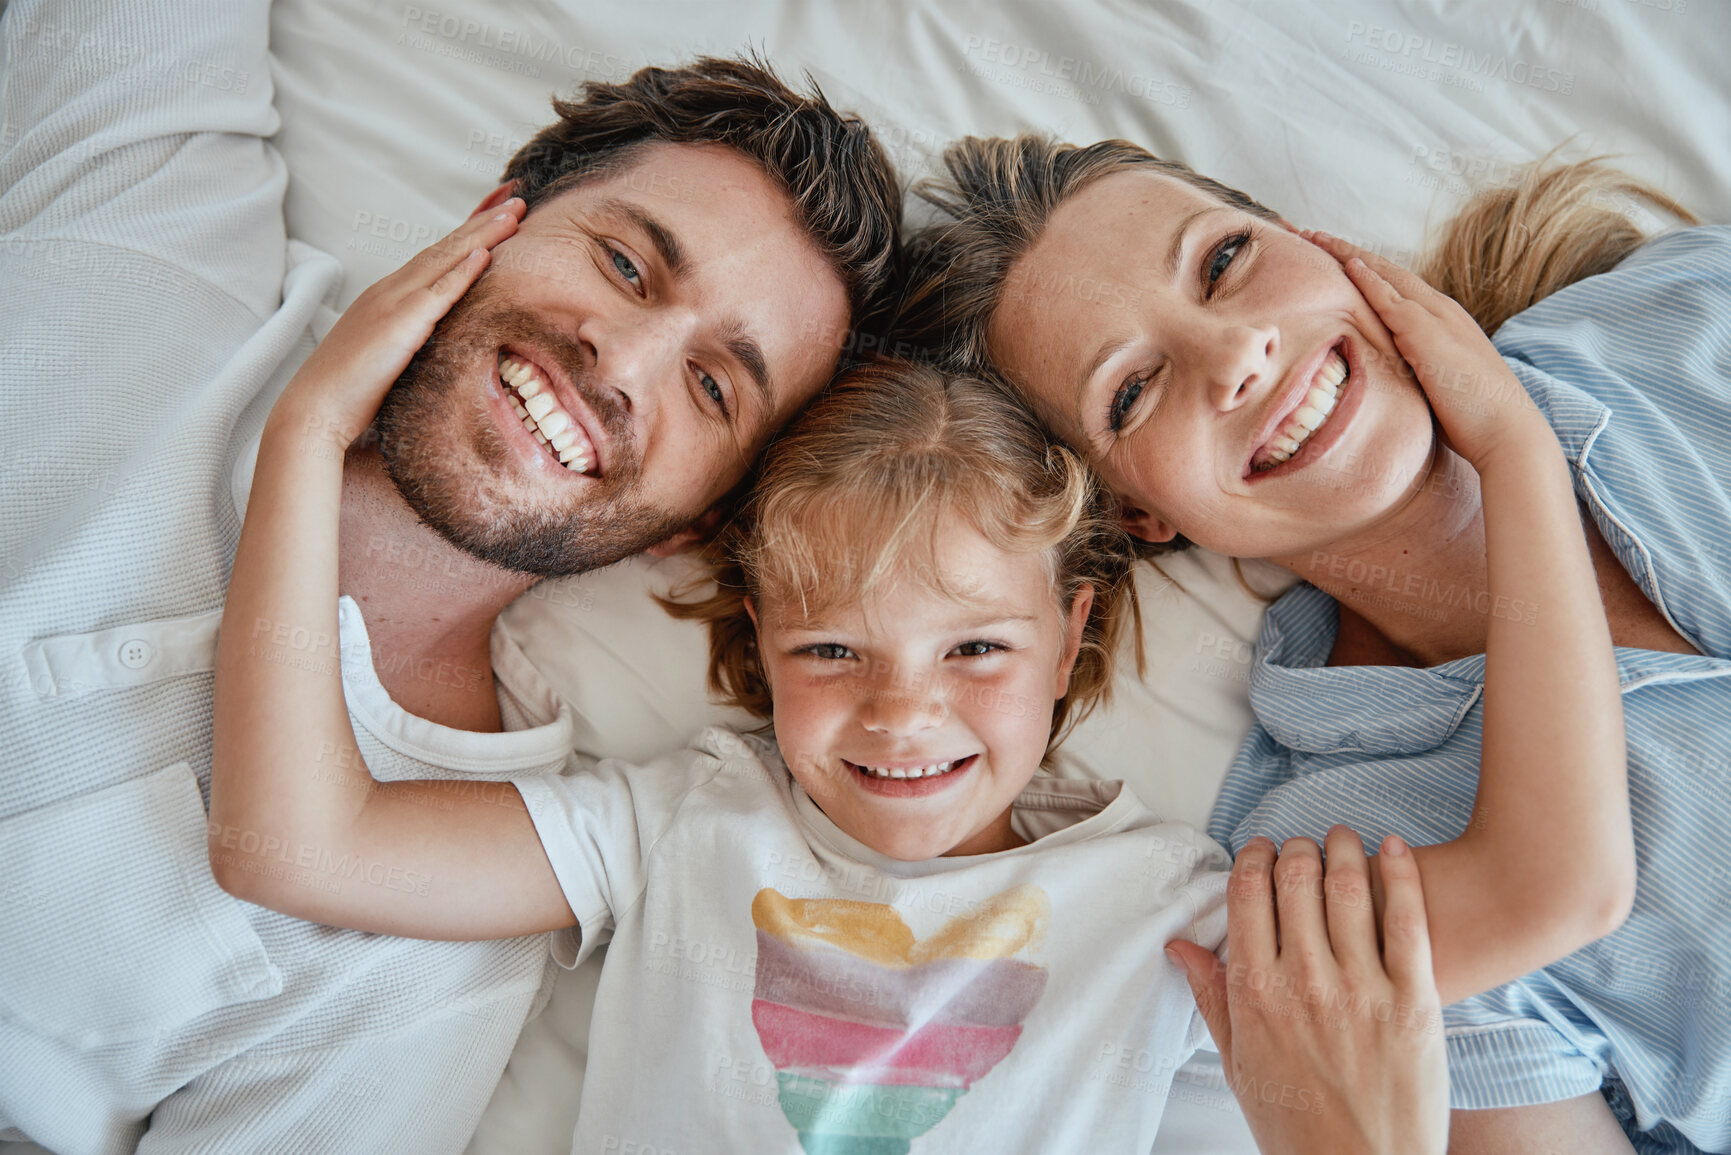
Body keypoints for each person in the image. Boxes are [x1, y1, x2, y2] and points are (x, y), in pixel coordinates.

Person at [221, 175, 1643, 1144]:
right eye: (831, 645)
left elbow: (1555, 886)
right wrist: (305, 433)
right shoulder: (665, 828)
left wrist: (1510, 448)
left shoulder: (1165, 904)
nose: (904, 708)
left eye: (975, 644)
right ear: (757, 644)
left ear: (1072, 632)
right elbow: (294, 844)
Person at [0, 0, 899, 1148]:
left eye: (714, 387)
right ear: (496, 218)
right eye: (625, 264)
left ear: (698, 522)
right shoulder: (158, 236)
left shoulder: (438, 941)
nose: (620, 366)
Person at [899, 136, 1731, 1153]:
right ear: (1137, 514)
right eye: (1132, 391)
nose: (1237, 354)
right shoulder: (1336, 869)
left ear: (1314, 245)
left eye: (1223, 262)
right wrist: (1512, 455)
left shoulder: (1683, 322)